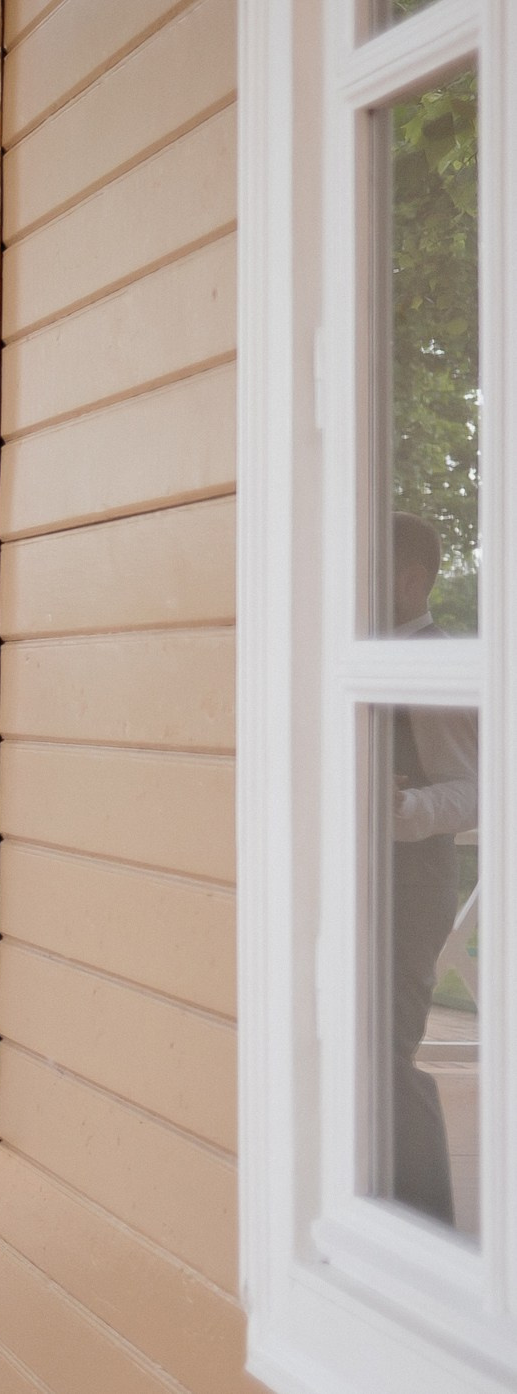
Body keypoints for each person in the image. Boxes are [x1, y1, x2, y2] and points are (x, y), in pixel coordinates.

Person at [383, 512, 481, 1227]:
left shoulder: (435, 665)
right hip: (360, 884)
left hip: (410, 890)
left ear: (410, 579)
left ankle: (429, 1231)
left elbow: (478, 788)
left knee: (386, 1056)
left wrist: (402, 809)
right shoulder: (363, 655)